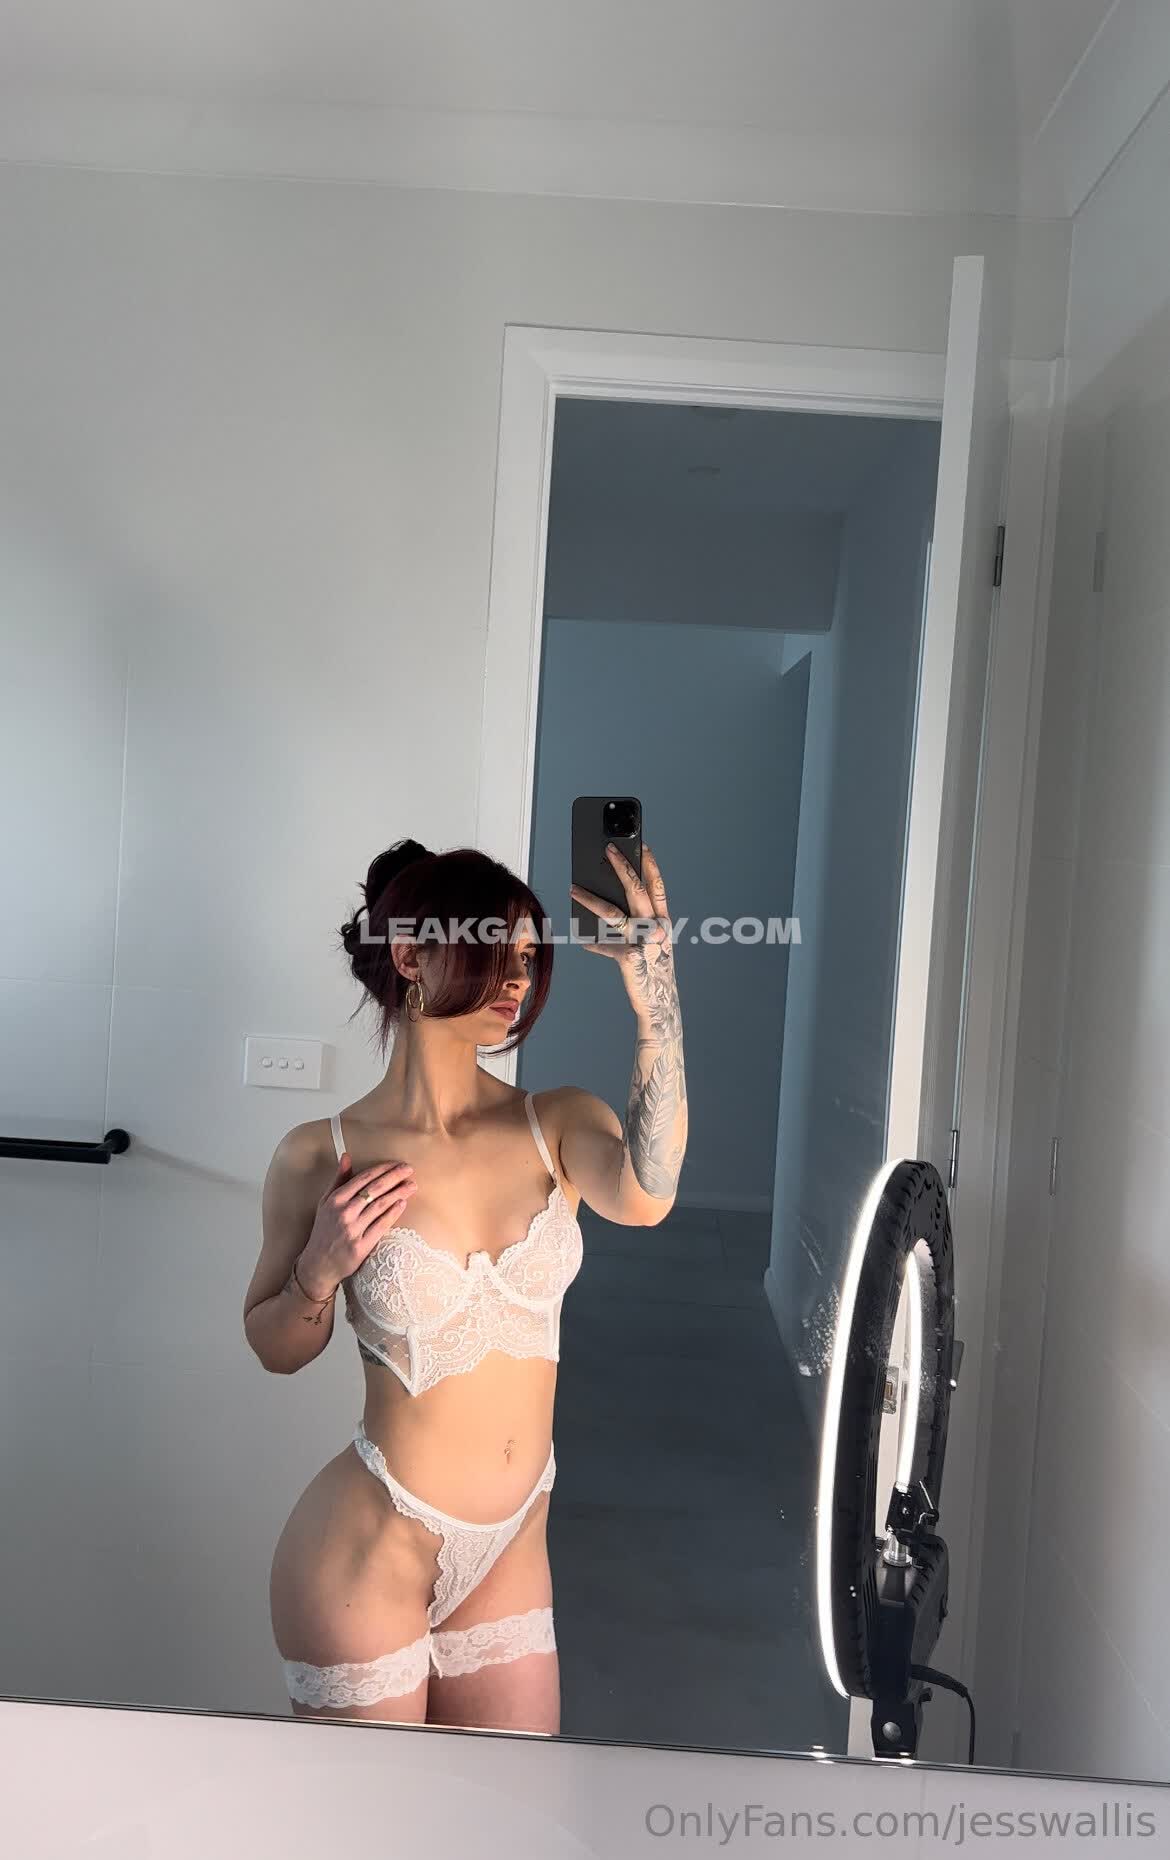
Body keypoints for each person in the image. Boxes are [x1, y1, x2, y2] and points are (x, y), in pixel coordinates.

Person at [243, 834, 687, 1733]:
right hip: (368, 1550)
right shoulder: (320, 1155)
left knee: (506, 1807)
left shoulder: (555, 1123)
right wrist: (319, 1270)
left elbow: (647, 1196)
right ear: (411, 957)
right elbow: (274, 1347)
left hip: (512, 1551)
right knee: (376, 1813)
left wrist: (657, 999)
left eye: (526, 955)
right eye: (493, 950)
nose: (517, 977)